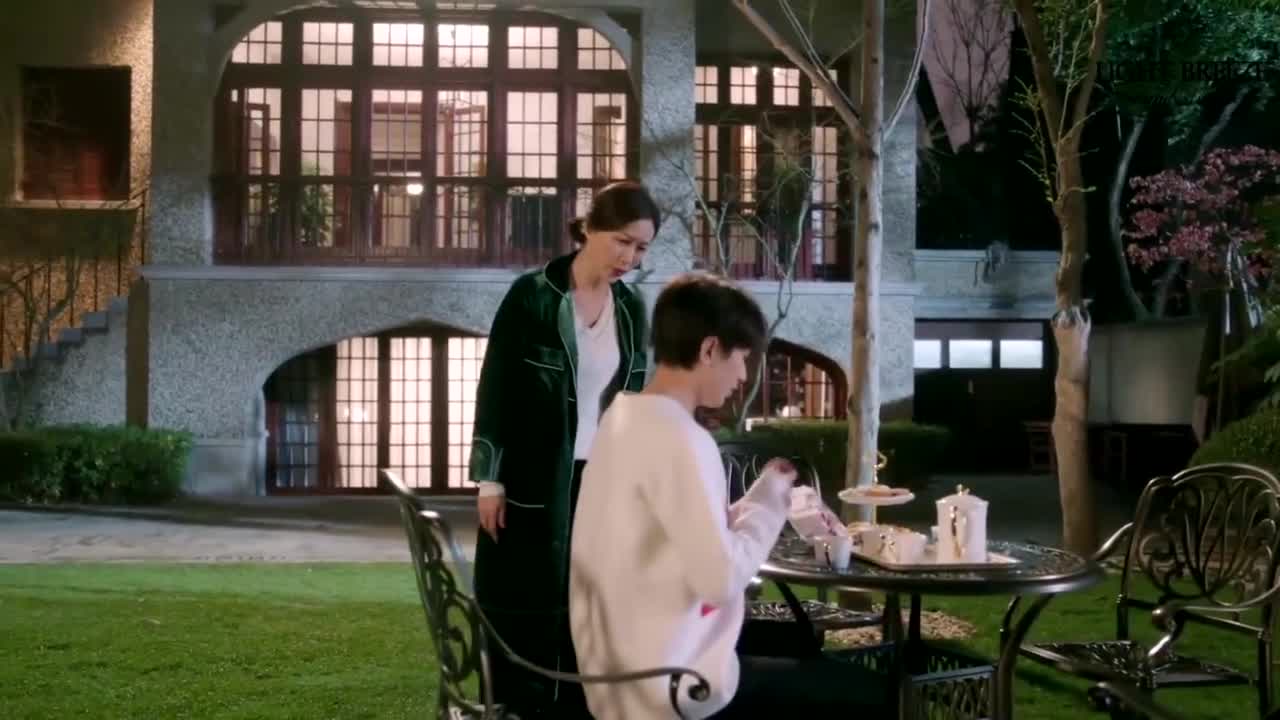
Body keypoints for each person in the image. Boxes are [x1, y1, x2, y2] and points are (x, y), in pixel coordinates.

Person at [569, 273, 890, 719]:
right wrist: (770, 504)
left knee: (802, 644)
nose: (742, 375)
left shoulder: (622, 419)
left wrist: (755, 499)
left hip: (613, 673)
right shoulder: (681, 438)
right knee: (875, 693)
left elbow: (675, 535)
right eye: (741, 357)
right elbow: (720, 581)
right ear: (709, 349)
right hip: (672, 686)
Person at [468, 180, 659, 717]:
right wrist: (490, 478)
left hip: (602, 482)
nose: (630, 258)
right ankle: (516, 706)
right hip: (532, 480)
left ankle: (579, 707)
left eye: (641, 248)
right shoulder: (532, 295)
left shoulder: (631, 308)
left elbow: (633, 399)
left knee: (591, 603)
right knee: (526, 603)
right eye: (622, 241)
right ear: (589, 229)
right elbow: (497, 386)